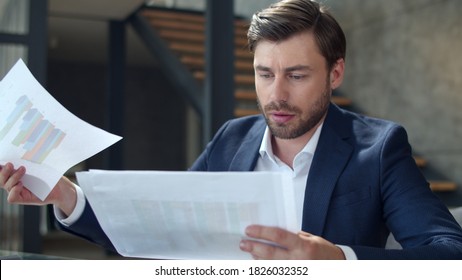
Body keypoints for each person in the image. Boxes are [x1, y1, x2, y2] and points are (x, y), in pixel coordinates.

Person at [1, 0, 462, 260]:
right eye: (265, 74)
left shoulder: (380, 148)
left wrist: (337, 260)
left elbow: (447, 255)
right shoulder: (231, 138)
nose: (276, 94)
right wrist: (65, 196)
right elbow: (159, 227)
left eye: (297, 75)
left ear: (335, 73)